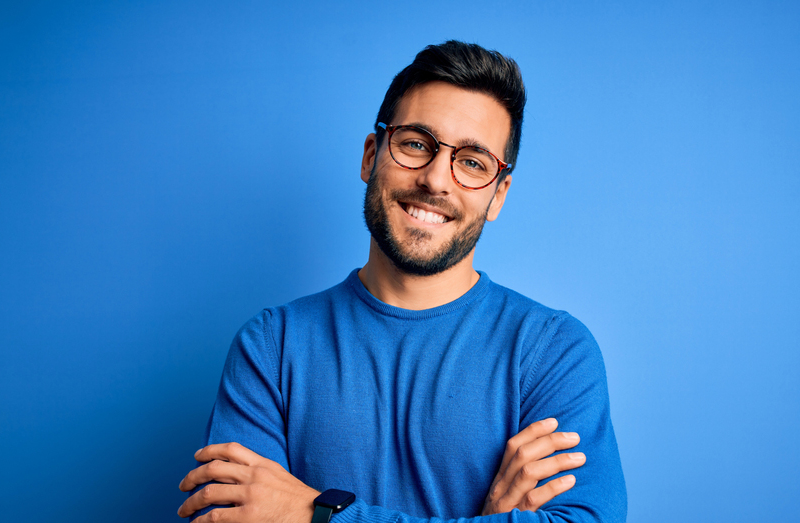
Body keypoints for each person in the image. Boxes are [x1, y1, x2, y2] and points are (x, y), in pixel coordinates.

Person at [178, 41, 626, 523]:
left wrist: (318, 514)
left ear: (498, 196)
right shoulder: (271, 346)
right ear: (372, 155)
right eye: (416, 144)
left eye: (473, 162)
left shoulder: (553, 351)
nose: (437, 179)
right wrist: (486, 518)